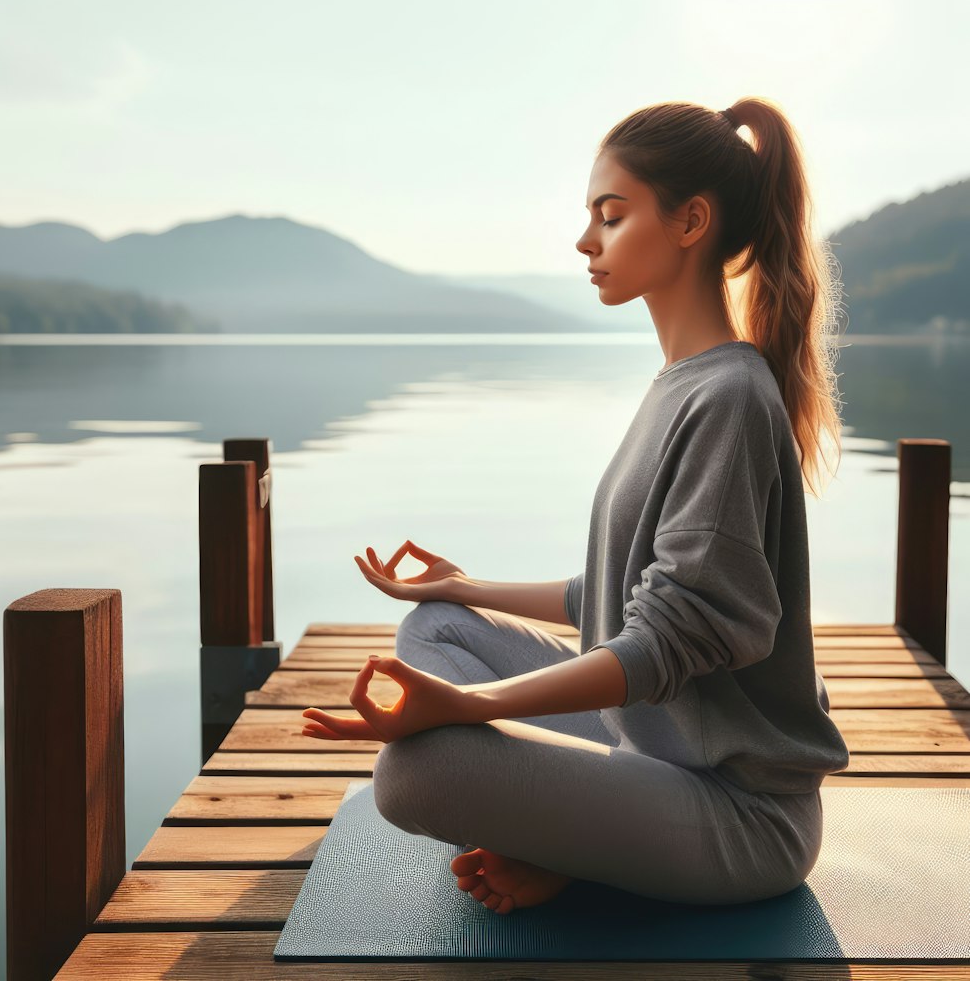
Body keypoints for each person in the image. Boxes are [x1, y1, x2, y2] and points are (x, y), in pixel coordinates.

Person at [299, 97, 851, 915]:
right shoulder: (681, 384)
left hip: (739, 814)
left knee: (416, 771)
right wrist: (465, 588)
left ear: (690, 221)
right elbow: (622, 597)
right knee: (434, 632)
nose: (586, 240)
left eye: (612, 215)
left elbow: (672, 637)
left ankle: (576, 844)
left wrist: (469, 706)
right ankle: (577, 839)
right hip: (653, 747)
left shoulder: (730, 395)